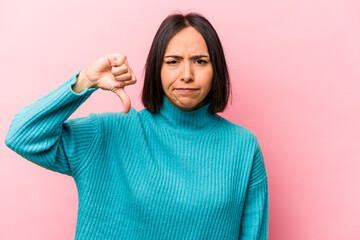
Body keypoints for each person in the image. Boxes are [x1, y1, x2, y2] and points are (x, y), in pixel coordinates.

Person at [5, 13, 268, 239]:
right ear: (157, 69)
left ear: (216, 69)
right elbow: (22, 135)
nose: (187, 74)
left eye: (200, 61)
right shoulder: (109, 134)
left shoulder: (243, 147)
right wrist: (85, 80)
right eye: (173, 61)